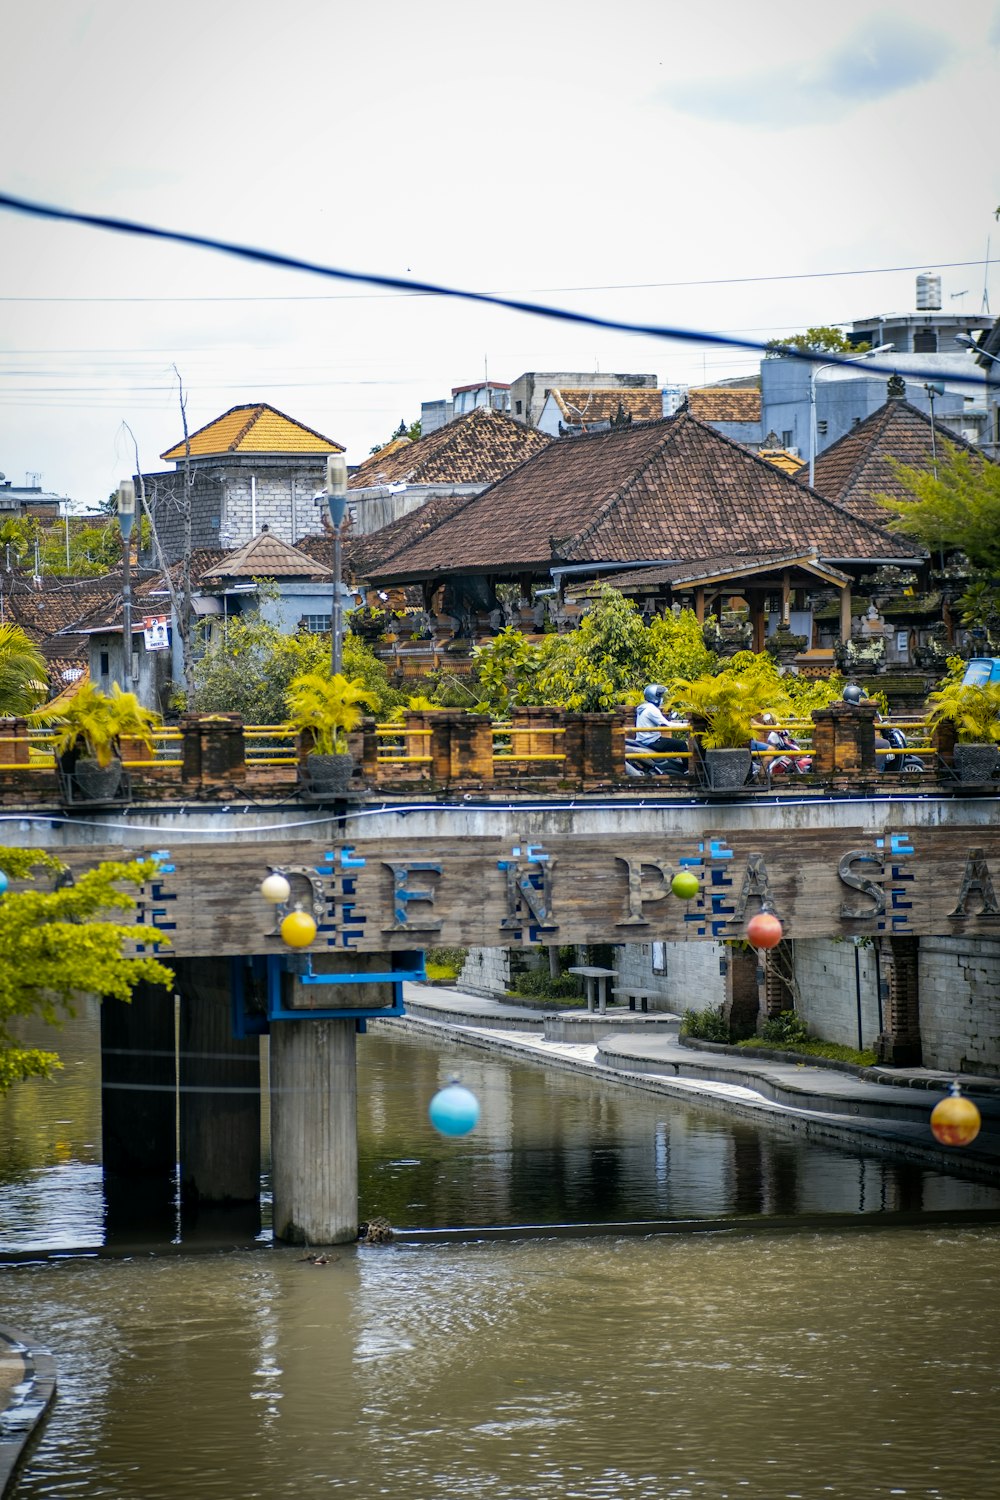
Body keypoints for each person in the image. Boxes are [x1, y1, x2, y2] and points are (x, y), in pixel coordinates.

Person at [634, 685, 689, 773]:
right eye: (660, 696)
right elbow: (666, 724)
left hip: (643, 740)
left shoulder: (644, 708)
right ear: (655, 697)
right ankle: (688, 770)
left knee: (670, 746)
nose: (662, 699)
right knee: (681, 745)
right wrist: (687, 726)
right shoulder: (652, 709)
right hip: (652, 741)